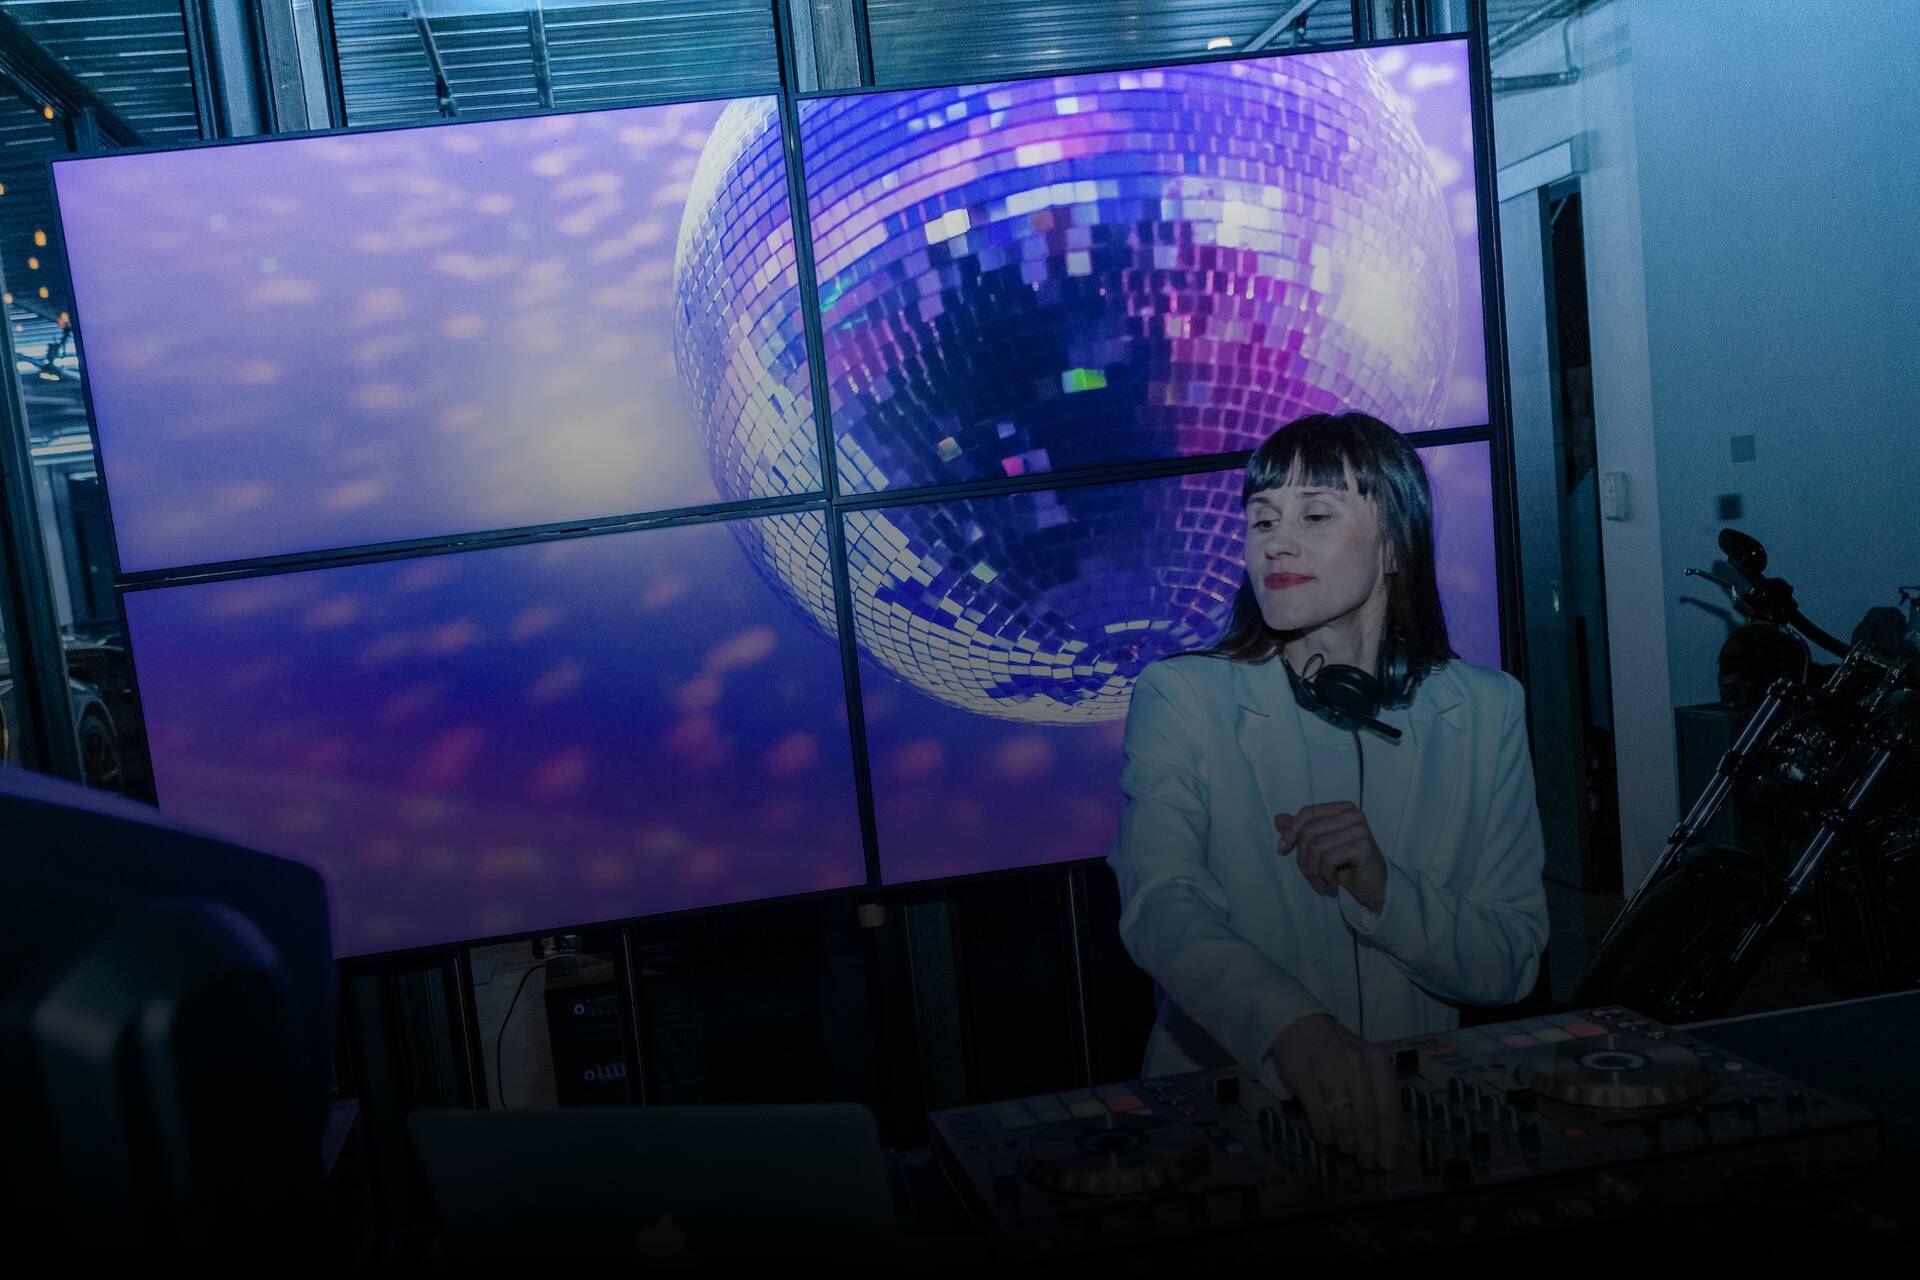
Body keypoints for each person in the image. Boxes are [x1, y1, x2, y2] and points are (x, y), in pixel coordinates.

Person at [1107, 412, 1548, 1175]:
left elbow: (1509, 962)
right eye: (1262, 519)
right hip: (1225, 1120)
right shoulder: (1182, 697)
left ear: (1394, 544)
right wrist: (1295, 1029)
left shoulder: (1488, 708)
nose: (1276, 543)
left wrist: (1385, 891)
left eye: (1315, 515)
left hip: (1418, 1117)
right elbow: (1161, 907)